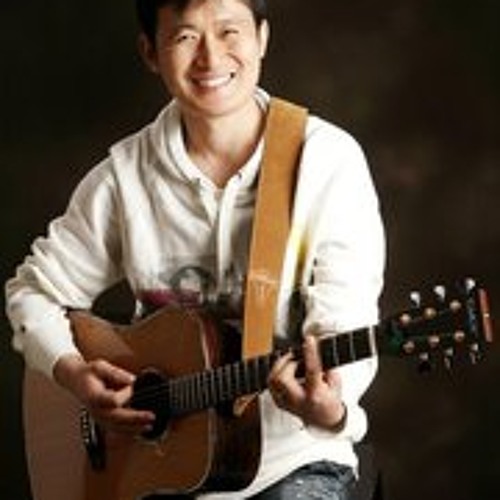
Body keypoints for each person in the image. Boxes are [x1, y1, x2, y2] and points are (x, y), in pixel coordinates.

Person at [5, 0, 385, 499]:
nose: (210, 57)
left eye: (229, 31)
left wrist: (329, 407)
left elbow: (344, 319)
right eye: (185, 37)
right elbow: (32, 291)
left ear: (262, 38)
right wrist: (72, 372)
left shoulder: (327, 163)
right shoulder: (123, 178)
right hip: (151, 469)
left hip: (293, 462)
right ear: (150, 52)